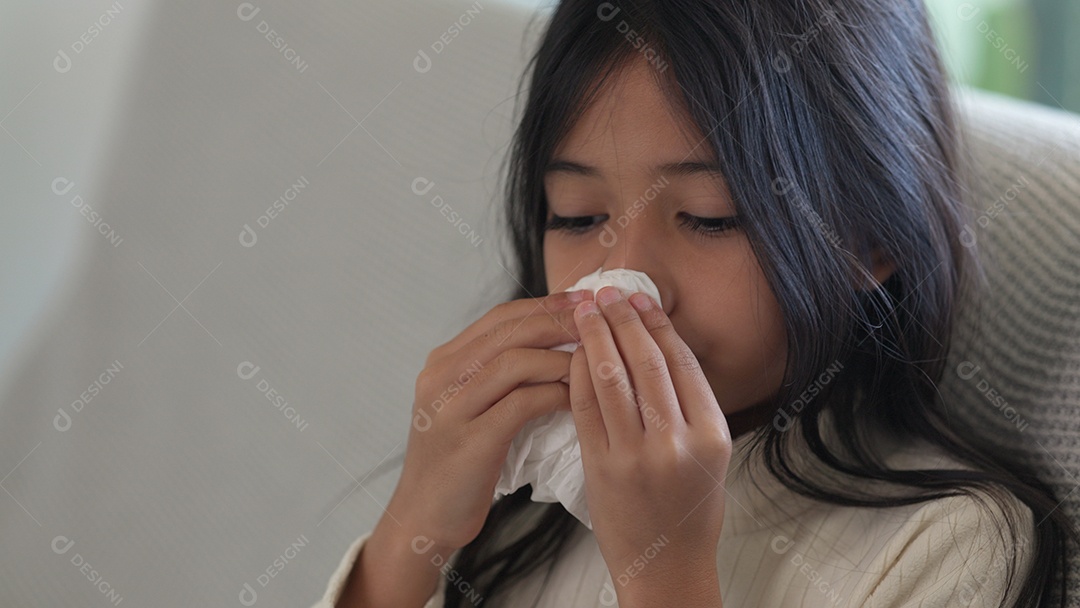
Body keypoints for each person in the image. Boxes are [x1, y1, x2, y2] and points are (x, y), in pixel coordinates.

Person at [312, 0, 1079, 606]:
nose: (627, 280)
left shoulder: (949, 546)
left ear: (870, 240)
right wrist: (415, 527)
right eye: (578, 215)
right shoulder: (531, 490)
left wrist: (663, 572)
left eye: (711, 216)